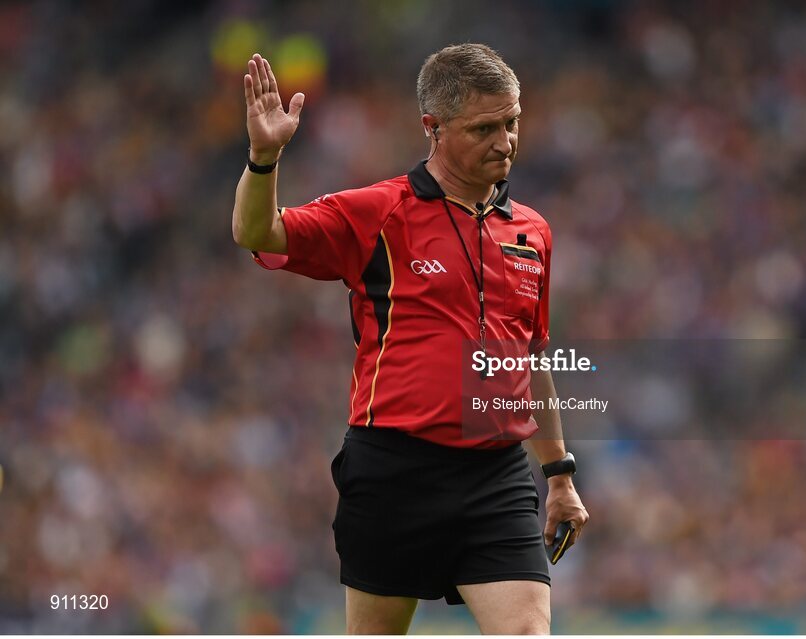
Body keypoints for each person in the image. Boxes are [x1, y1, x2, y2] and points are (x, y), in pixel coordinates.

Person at [231, 44, 589, 634]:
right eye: (483, 128)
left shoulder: (533, 232)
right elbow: (255, 232)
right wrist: (264, 158)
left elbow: (531, 361)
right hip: (394, 470)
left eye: (512, 122)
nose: (505, 142)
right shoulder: (379, 211)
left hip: (495, 477)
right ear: (433, 128)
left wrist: (559, 475)